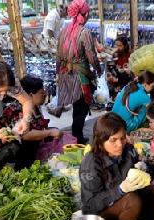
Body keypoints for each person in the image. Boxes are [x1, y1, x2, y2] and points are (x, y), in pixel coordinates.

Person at [79, 112, 154, 220]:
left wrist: (145, 167)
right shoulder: (91, 164)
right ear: (100, 140)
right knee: (132, 200)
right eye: (113, 140)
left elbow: (145, 170)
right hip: (102, 212)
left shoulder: (128, 149)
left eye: (123, 137)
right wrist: (120, 190)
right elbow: (92, 203)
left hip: (132, 199)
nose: (120, 144)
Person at [56, 0, 102, 144]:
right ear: (86, 14)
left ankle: (75, 136)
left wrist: (57, 74)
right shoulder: (85, 32)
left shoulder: (64, 31)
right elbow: (91, 56)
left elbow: (57, 55)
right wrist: (98, 70)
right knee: (81, 109)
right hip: (81, 77)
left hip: (65, 73)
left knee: (76, 108)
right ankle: (78, 139)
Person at [0, 75, 63, 170]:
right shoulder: (16, 109)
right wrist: (50, 132)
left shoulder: (36, 107)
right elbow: (25, 135)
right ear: (30, 95)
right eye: (42, 92)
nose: (45, 94)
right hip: (16, 149)